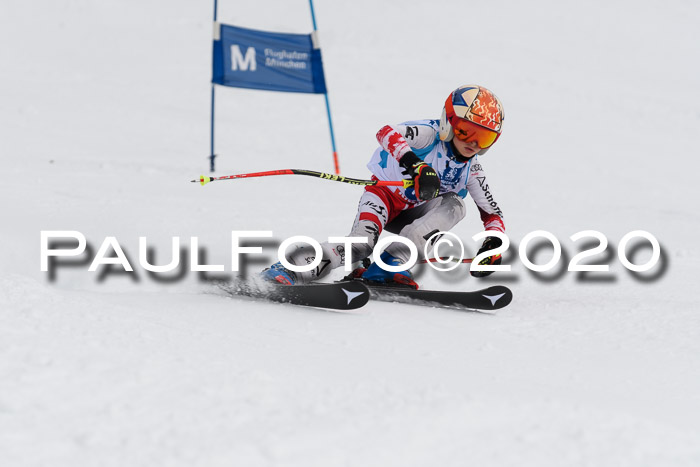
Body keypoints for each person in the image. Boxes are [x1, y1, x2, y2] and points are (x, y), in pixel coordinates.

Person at [262, 84, 506, 288]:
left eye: (484, 137)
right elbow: (386, 132)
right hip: (384, 197)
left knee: (456, 204)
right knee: (360, 245)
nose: (473, 143)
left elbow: (491, 213)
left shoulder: (472, 169)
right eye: (465, 131)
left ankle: (389, 264)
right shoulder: (429, 135)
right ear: (448, 123)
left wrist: (493, 243)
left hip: (416, 212)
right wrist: (415, 165)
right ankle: (291, 269)